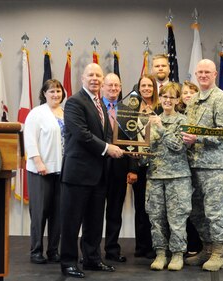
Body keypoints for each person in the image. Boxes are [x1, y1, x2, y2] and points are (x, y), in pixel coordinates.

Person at [59, 63, 124, 278]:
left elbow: (105, 134)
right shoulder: (74, 103)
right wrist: (108, 148)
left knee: (95, 222)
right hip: (78, 174)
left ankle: (92, 259)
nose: (95, 78)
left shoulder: (100, 104)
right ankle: (68, 262)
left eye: (98, 75)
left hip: (98, 175)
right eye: (90, 75)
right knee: (71, 221)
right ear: (82, 78)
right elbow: (82, 135)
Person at [182, 59, 223, 272]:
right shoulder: (193, 100)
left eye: (207, 72)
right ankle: (207, 247)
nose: (203, 75)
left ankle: (218, 253)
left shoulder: (222, 99)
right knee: (195, 211)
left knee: (215, 212)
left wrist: (198, 138)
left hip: (214, 167)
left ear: (215, 74)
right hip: (192, 165)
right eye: (200, 72)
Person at [143, 82, 192, 271]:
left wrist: (161, 127)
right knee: (156, 218)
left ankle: (178, 254)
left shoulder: (184, 121)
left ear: (178, 100)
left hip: (177, 177)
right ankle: (161, 253)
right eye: (164, 96)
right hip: (154, 177)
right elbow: (146, 150)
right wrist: (137, 154)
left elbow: (179, 146)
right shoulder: (150, 121)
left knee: (177, 218)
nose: (167, 100)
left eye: (172, 97)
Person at [24, 79, 65, 264]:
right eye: (51, 92)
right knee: (39, 212)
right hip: (41, 170)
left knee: (57, 214)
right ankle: (36, 251)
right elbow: (30, 139)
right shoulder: (36, 113)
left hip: (61, 170)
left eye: (58, 91)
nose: (55, 95)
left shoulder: (65, 113)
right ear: (44, 94)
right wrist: (38, 162)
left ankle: (53, 250)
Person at [101, 73, 138, 263]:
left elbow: (132, 140)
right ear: (102, 86)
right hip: (97, 167)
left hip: (119, 167)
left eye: (116, 86)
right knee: (94, 212)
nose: (113, 89)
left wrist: (132, 168)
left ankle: (112, 250)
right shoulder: (94, 107)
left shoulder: (127, 110)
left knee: (115, 211)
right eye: (110, 86)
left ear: (120, 86)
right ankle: (90, 251)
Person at [131, 74, 161, 259]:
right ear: (138, 88)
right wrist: (132, 167)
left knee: (156, 208)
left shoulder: (160, 107)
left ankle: (156, 245)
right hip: (139, 165)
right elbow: (126, 138)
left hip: (158, 165)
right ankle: (141, 246)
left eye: (150, 86)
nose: (146, 89)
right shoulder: (131, 109)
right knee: (141, 207)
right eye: (143, 86)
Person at [176, 80, 203, 255]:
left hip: (199, 164)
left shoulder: (202, 113)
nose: (188, 95)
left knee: (197, 207)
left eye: (192, 92)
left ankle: (197, 245)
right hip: (179, 166)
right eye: (185, 92)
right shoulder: (175, 114)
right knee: (182, 206)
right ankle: (182, 245)